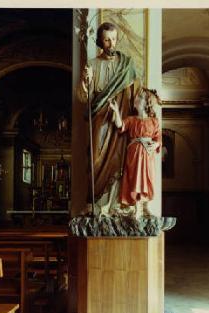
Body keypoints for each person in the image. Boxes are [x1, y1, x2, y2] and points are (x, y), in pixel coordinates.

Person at [76, 22, 138, 216]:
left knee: (120, 161)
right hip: (100, 118)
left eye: (113, 39)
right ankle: (94, 203)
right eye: (106, 40)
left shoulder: (126, 64)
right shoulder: (92, 65)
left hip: (121, 119)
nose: (111, 44)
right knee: (96, 160)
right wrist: (85, 82)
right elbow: (83, 98)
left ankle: (115, 205)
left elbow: (135, 93)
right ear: (100, 42)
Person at [109, 87, 161, 218]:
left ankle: (146, 207)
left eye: (139, 97)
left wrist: (156, 144)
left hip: (148, 154)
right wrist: (116, 111)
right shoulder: (132, 120)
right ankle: (137, 208)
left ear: (146, 102)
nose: (136, 99)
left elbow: (158, 138)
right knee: (135, 179)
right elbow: (120, 125)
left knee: (147, 179)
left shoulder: (154, 121)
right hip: (134, 154)